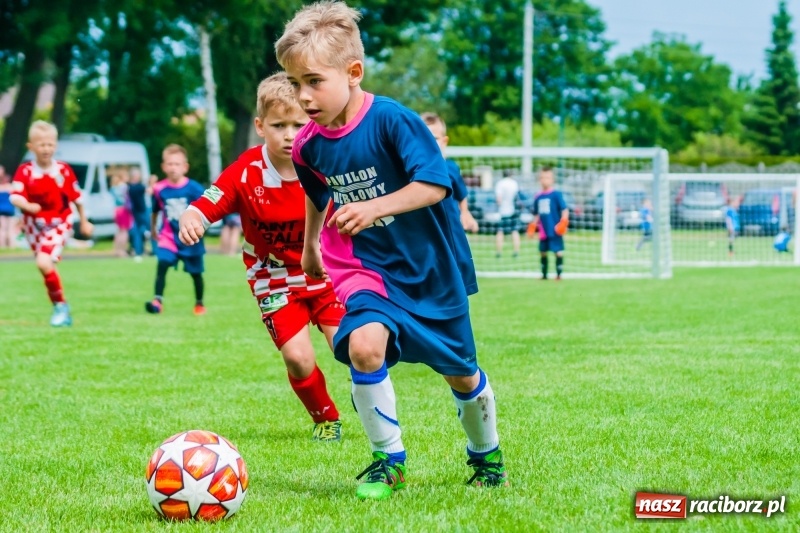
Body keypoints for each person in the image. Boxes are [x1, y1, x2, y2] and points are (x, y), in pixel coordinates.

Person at [276, 0, 507, 500]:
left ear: (353, 72)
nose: (303, 97)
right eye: (295, 84)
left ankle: (487, 456)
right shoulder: (307, 146)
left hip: (430, 267)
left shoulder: (394, 121)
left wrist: (376, 206)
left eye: (314, 81)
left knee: (462, 375)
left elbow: (434, 185)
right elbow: (319, 193)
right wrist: (313, 244)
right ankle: (389, 460)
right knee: (363, 345)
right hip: (366, 265)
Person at [179, 72, 345, 442]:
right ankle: (326, 418)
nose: (289, 134)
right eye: (278, 125)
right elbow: (208, 202)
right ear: (259, 126)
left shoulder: (326, 161)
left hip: (325, 270)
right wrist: (192, 217)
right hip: (273, 277)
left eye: (298, 124)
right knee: (298, 359)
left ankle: (372, 412)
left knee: (350, 349)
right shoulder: (247, 171)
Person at [9, 120, 93, 326]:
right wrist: (27, 206)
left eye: (50, 144)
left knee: (43, 262)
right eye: (41, 145)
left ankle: (61, 308)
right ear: (31, 147)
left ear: (55, 146)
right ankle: (61, 308)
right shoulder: (26, 171)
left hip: (59, 221)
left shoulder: (63, 171)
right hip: (34, 226)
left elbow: (77, 198)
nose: (46, 149)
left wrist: (84, 221)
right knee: (45, 265)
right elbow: (15, 197)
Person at [145, 144, 206, 315]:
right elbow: (155, 211)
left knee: (196, 274)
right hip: (168, 237)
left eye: (177, 164)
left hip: (191, 239)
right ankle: (157, 301)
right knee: (162, 263)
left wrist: (201, 228)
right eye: (169, 164)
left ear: (185, 167)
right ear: (163, 167)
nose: (173, 168)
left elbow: (206, 211)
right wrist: (153, 230)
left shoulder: (195, 189)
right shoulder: (159, 189)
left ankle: (199, 303)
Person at [420, 112, 479, 233]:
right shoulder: (411, 169)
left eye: (435, 138)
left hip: (450, 225)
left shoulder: (450, 167)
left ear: (444, 141)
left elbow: (461, 194)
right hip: (424, 227)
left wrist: (465, 213)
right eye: (424, 137)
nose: (429, 142)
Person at [531, 166, 569, 280]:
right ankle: (544, 275)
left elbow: (565, 210)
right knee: (543, 252)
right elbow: (536, 214)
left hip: (555, 230)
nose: (545, 180)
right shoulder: (538, 197)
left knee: (558, 252)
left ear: (552, 179)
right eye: (542, 177)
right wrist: (532, 226)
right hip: (544, 231)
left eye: (547, 177)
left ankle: (558, 275)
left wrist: (563, 223)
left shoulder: (556, 194)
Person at [494, 172, 521, 258]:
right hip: (513, 211)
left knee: (500, 231)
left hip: (503, 211)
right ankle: (516, 252)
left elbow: (499, 199)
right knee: (514, 231)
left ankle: (499, 252)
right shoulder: (514, 183)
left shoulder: (500, 184)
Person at [109, 169, 133, 257]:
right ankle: (122, 250)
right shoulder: (124, 186)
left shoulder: (113, 187)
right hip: (124, 209)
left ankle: (117, 250)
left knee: (119, 231)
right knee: (124, 231)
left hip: (116, 210)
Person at [128, 167, 149, 262]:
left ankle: (138, 251)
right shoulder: (136, 187)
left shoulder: (130, 187)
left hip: (136, 212)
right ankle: (139, 251)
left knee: (138, 233)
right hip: (140, 212)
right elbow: (147, 189)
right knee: (141, 232)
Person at [0, 165, 19, 249]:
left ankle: (2, 247)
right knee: (10, 230)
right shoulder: (10, 187)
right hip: (10, 210)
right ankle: (11, 247)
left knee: (2, 230)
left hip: (1, 210)